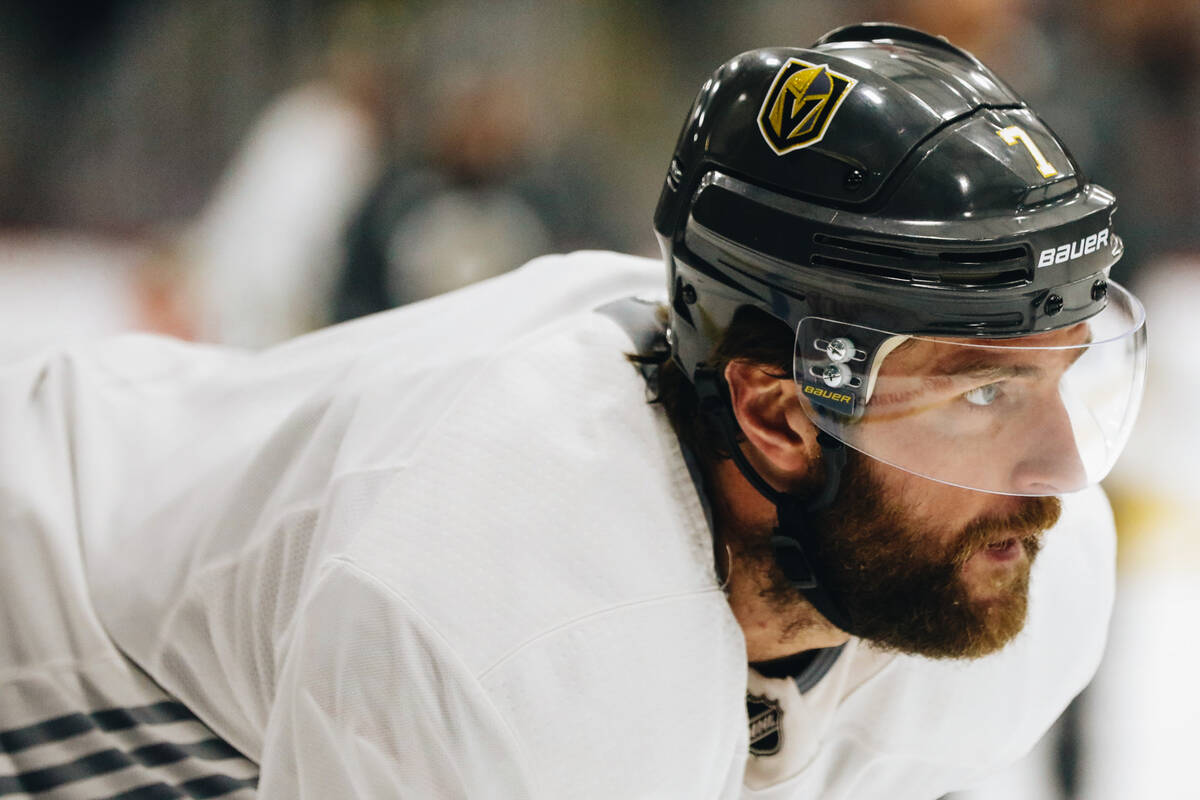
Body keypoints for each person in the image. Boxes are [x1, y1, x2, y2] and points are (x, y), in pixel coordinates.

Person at [0, 23, 1147, 800]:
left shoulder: (1018, 570)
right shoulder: (509, 605)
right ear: (784, 416)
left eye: (1061, 373)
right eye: (985, 391)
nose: (1056, 473)